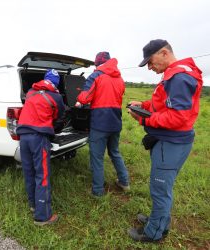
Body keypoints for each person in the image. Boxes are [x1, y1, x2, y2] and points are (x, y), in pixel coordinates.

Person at [127, 39, 203, 242]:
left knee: (160, 189)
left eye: (150, 62)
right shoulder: (174, 75)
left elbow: (179, 117)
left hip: (172, 143)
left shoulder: (179, 77)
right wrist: (142, 104)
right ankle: (158, 221)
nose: (150, 67)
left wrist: (144, 118)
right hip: (172, 141)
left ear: (163, 53)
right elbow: (162, 104)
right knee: (162, 187)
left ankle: (154, 233)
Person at [75, 51, 130, 197]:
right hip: (115, 121)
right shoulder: (119, 78)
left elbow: (85, 98)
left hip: (100, 123)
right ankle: (124, 182)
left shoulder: (96, 75)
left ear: (98, 63)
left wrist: (79, 96)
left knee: (97, 157)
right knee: (115, 152)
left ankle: (97, 191)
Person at [16, 69, 65, 226]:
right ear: (56, 83)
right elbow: (59, 116)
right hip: (39, 138)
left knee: (29, 172)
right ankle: (42, 216)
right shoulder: (56, 97)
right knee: (42, 175)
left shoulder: (30, 92)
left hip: (23, 137)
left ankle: (33, 205)